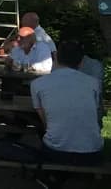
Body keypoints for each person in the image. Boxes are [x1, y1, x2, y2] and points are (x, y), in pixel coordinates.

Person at [31, 41, 103, 170]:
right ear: (81, 62)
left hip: (56, 151)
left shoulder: (38, 84)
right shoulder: (93, 83)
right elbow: (95, 113)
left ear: (56, 58)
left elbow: (46, 122)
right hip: (92, 153)